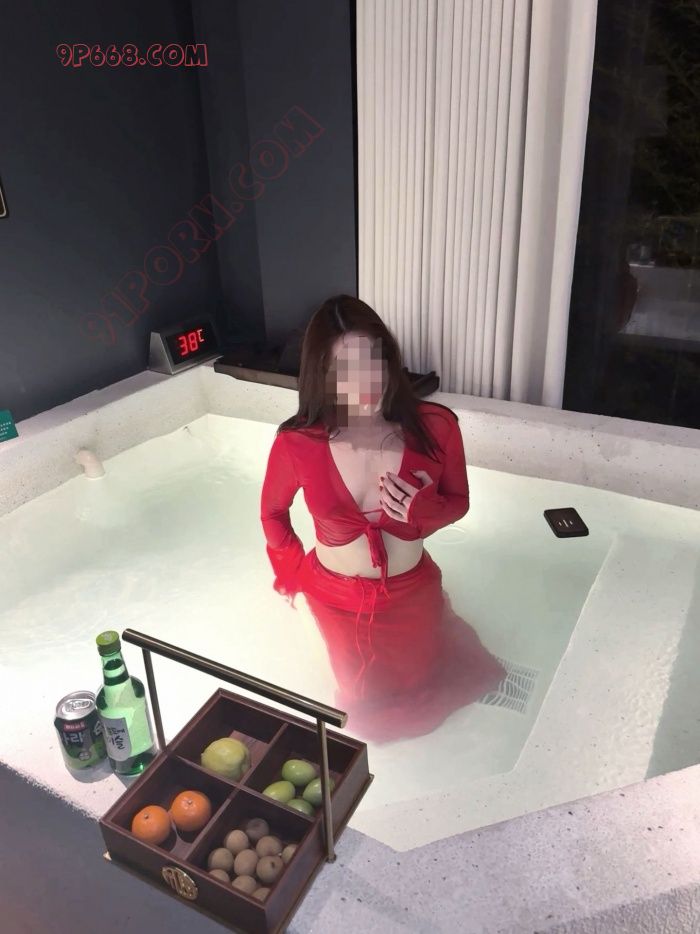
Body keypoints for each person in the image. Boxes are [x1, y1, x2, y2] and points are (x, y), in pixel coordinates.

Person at [260, 295, 506, 742]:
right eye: (346, 369)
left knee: (432, 680)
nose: (368, 380)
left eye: (374, 358)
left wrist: (422, 511)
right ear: (323, 375)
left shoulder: (437, 426)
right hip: (337, 599)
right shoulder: (297, 443)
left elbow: (459, 501)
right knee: (365, 714)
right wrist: (292, 578)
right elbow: (273, 514)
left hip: (412, 590)